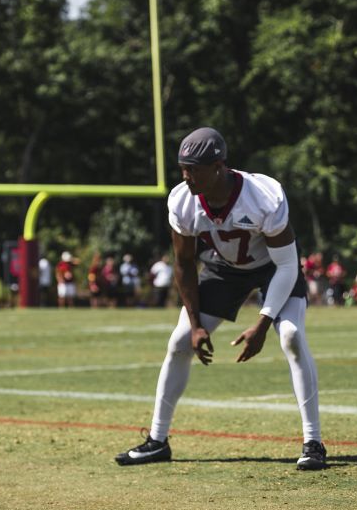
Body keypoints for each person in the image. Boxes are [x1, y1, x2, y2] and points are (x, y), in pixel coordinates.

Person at [115, 127, 326, 470]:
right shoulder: (183, 200)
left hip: (273, 267)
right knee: (180, 340)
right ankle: (157, 440)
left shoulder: (263, 195)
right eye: (183, 168)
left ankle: (313, 442)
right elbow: (184, 264)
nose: (187, 176)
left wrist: (262, 322)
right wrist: (197, 325)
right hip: (224, 269)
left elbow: (288, 264)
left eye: (194, 168)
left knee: (291, 336)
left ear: (219, 167)